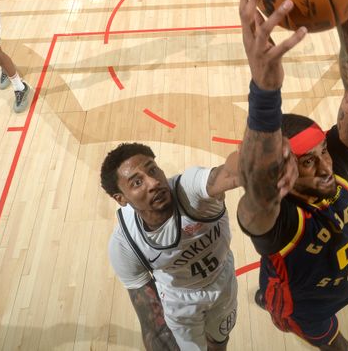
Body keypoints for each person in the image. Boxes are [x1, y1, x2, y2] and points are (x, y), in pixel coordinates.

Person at [236, 0, 348, 351]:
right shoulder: (277, 221)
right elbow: (257, 184)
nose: (324, 167)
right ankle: (269, 297)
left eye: (323, 152)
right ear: (283, 172)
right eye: (307, 162)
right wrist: (264, 91)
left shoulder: (336, 167)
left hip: (344, 275)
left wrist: (347, 13)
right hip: (303, 307)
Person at [102, 143, 244, 351]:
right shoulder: (125, 244)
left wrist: (252, 158)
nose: (153, 183)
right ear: (121, 198)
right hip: (180, 302)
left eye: (152, 170)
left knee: (219, 343)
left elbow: (226, 175)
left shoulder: (190, 190)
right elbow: (153, 324)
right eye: (137, 182)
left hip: (222, 281)